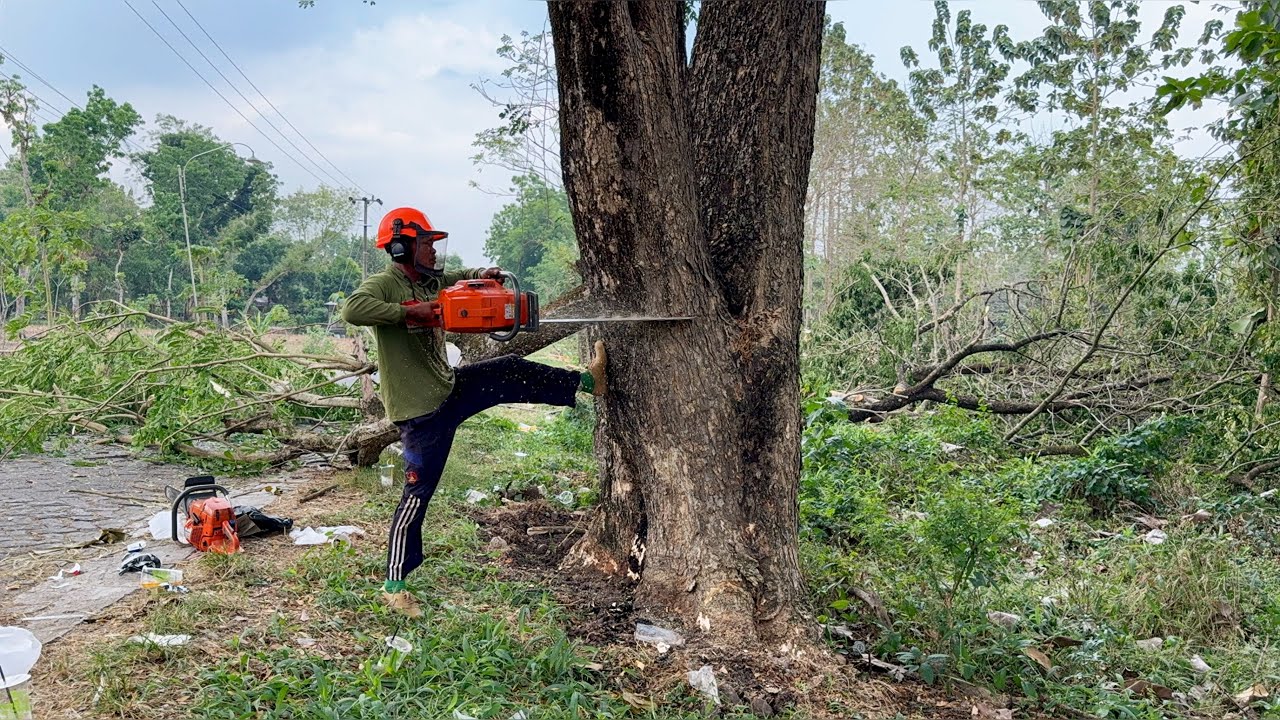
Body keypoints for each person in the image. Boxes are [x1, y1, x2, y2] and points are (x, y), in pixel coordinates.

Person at [341, 206, 606, 617]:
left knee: (509, 369)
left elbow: (455, 279)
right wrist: (409, 313)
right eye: (426, 244)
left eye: (433, 244)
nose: (433, 251)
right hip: (421, 413)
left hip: (449, 388)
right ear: (401, 246)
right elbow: (353, 309)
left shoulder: (429, 280)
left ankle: (588, 382)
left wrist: (485, 274)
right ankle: (395, 585)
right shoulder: (385, 284)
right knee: (416, 496)